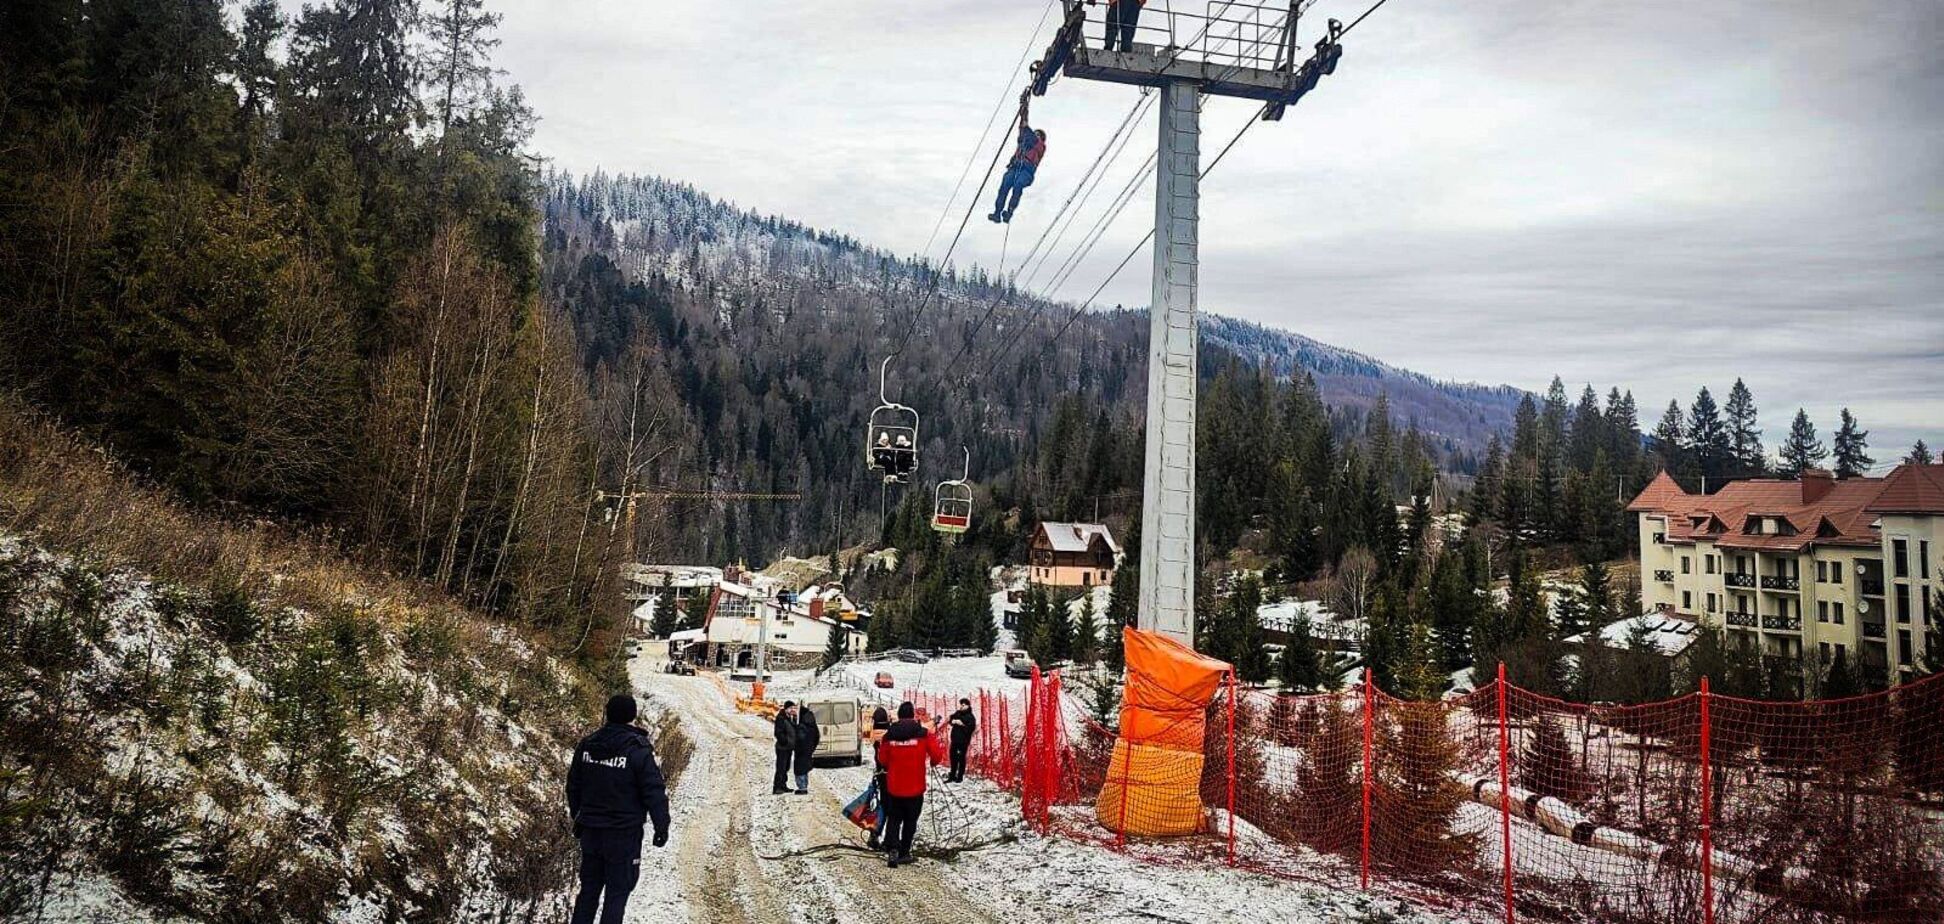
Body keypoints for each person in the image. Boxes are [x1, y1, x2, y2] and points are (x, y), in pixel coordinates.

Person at [566, 694, 671, 924]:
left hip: (591, 833)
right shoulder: (638, 751)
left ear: (608, 713)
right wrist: (661, 826)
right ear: (632, 716)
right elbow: (654, 791)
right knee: (617, 894)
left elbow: (573, 785)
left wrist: (579, 817)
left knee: (588, 892)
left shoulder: (587, 745)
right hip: (624, 836)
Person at [875, 701, 947, 867]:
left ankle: (892, 849)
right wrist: (933, 762)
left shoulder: (889, 735)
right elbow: (936, 755)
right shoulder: (923, 733)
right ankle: (904, 852)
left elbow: (882, 760)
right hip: (915, 787)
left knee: (894, 818)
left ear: (899, 716)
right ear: (913, 715)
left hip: (894, 786)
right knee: (910, 820)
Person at [989, 97, 1047, 225]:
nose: (1035, 135)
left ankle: (1009, 212)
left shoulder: (1040, 146)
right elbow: (1023, 123)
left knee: (1018, 186)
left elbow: (1028, 132)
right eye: (1035, 133)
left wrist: (1027, 128)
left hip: (1026, 172)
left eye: (1038, 134)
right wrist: (1024, 107)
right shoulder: (1024, 139)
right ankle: (997, 213)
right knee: (1004, 186)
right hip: (1014, 168)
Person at [866, 705, 892, 850]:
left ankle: (875, 833)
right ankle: (888, 838)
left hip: (880, 773)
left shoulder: (875, 733)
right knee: (891, 807)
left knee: (883, 804)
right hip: (889, 773)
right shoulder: (888, 733)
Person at [946, 698, 978, 783]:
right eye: (961, 705)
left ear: (968, 706)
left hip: (963, 742)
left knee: (961, 758)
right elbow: (950, 719)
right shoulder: (958, 713)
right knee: (953, 758)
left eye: (963, 705)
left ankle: (959, 776)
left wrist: (962, 724)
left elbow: (971, 729)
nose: (961, 706)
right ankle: (952, 775)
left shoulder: (970, 717)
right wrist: (952, 721)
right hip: (954, 740)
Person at [793, 703, 821, 794]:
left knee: (800, 768)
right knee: (804, 768)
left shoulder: (801, 726)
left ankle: (802, 788)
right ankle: (803, 786)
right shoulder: (812, 724)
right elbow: (817, 736)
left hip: (801, 750)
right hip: (808, 750)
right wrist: (812, 747)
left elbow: (799, 738)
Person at [772, 701, 799, 795]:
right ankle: (777, 787)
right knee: (781, 767)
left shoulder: (790, 718)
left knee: (786, 767)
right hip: (782, 748)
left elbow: (795, 729)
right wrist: (785, 741)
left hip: (789, 748)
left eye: (794, 708)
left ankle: (783, 785)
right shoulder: (781, 718)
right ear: (786, 709)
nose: (793, 710)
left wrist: (795, 718)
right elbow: (778, 733)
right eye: (791, 708)